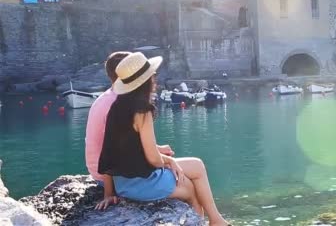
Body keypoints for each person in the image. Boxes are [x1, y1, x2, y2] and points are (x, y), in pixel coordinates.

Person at [96, 52, 229, 226]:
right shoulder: (142, 111)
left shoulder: (116, 107)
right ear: (144, 81)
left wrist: (109, 193)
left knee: (196, 165)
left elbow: (110, 152)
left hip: (123, 184)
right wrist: (168, 162)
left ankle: (216, 219)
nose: (155, 79)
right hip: (142, 184)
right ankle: (212, 221)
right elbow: (152, 158)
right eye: (152, 75)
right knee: (189, 187)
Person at [85, 51, 174, 185]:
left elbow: (123, 140)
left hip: (102, 170)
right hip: (111, 175)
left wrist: (157, 149)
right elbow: (114, 149)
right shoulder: (119, 103)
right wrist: (165, 161)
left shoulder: (108, 98)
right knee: (185, 175)